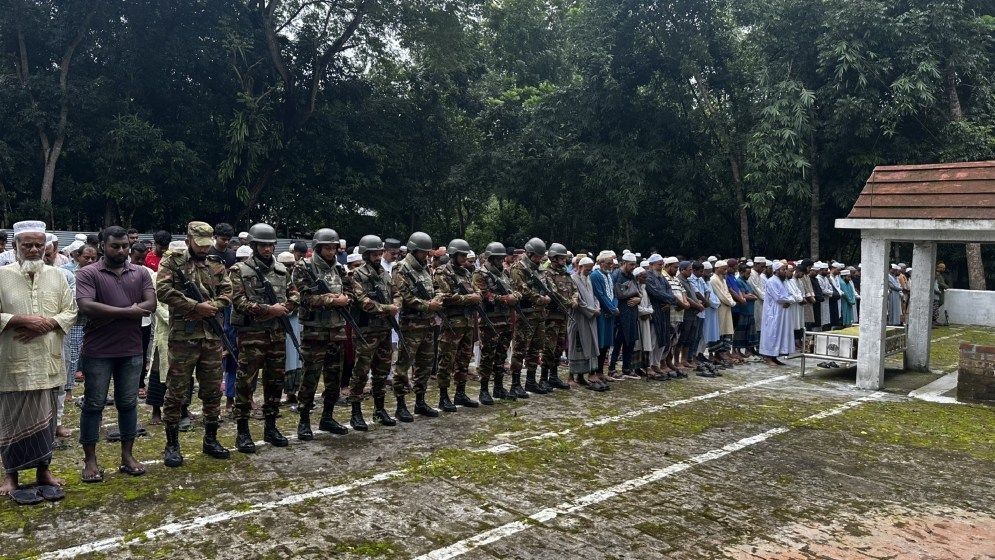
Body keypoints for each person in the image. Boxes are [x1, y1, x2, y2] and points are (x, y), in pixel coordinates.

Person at [0, 220, 77, 502]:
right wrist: (19, 320)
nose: (33, 250)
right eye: (27, 245)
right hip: (12, 362)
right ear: (16, 246)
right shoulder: (2, 276)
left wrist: (49, 323)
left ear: (46, 246)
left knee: (47, 418)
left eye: (38, 245)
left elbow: (71, 311)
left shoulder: (58, 276)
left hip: (47, 360)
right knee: (11, 420)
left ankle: (44, 471)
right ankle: (11, 476)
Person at [76, 226, 156, 482]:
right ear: (102, 246)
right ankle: (90, 460)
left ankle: (127, 456)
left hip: (131, 348)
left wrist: (114, 312)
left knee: (128, 403)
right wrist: (128, 312)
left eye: (125, 246)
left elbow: (151, 304)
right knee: (93, 404)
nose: (121, 251)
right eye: (115, 246)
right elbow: (86, 305)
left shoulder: (140, 272)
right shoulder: (88, 273)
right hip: (98, 350)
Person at [154, 222, 232, 467]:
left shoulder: (216, 264)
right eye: (199, 244)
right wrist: (195, 306)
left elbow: (227, 293)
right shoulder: (173, 262)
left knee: (212, 390)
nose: (204, 249)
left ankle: (210, 439)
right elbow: (162, 290)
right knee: (176, 391)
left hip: (211, 337)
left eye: (207, 244)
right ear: (189, 240)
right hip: (183, 338)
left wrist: (213, 307)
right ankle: (172, 444)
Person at [229, 223, 300, 453]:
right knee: (245, 383)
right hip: (252, 335)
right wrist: (269, 310)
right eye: (262, 245)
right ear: (254, 246)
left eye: (270, 245)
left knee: (275, 381)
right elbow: (238, 302)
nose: (267, 249)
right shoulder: (239, 270)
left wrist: (286, 307)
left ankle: (271, 427)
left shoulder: (281, 270)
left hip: (276, 334)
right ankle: (242, 431)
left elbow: (294, 294)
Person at [291, 228, 353, 438]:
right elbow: (304, 297)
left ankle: (327, 417)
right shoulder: (304, 267)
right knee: (310, 378)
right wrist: (333, 300)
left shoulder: (340, 269)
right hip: (315, 332)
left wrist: (345, 299)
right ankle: (304, 420)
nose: (331, 251)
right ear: (318, 248)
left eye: (334, 248)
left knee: (334, 378)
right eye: (327, 247)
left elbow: (350, 291)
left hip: (336, 331)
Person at [348, 235, 401, 428]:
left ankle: (379, 409)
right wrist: (388, 308)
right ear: (366, 254)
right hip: (366, 331)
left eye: (380, 253)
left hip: (384, 329)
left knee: (382, 371)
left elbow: (396, 293)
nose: (378, 257)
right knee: (361, 372)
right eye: (374, 254)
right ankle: (356, 412)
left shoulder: (385, 274)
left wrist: (396, 304)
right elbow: (363, 302)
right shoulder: (357, 275)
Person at [392, 232, 445, 418]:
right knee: (403, 366)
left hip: (428, 324)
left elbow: (435, 288)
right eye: (423, 252)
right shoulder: (401, 268)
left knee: (425, 364)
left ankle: (420, 401)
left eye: (427, 252)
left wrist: (438, 298)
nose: (426, 255)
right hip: (411, 326)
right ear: (413, 250)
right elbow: (405, 296)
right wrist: (428, 305)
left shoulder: (425, 268)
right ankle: (400, 405)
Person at [433, 239, 482, 409]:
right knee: (446, 360)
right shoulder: (442, 272)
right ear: (453, 254)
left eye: (465, 255)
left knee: (464, 359)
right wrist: (469, 298)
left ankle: (460, 393)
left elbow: (476, 290)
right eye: (461, 255)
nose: (464, 258)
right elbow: (444, 296)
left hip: (467, 322)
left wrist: (476, 296)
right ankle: (443, 396)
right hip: (452, 324)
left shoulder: (466, 272)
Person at [471, 242, 521, 405]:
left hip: (506, 320)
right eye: (497, 258)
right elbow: (484, 294)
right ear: (491, 258)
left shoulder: (505, 273)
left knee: (501, 355)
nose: (501, 261)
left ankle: (498, 387)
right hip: (490, 321)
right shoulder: (480, 273)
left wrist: (515, 296)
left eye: (501, 258)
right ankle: (484, 390)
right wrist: (506, 299)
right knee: (487, 356)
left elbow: (515, 289)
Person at [508, 238, 552, 397]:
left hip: (539, 313)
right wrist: (541, 299)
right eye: (537, 256)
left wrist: (547, 295)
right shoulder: (518, 268)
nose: (539, 259)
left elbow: (545, 285)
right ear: (529, 253)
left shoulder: (539, 268)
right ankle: (515, 384)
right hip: (525, 314)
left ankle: (531, 381)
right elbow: (522, 290)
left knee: (535, 348)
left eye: (540, 256)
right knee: (520, 349)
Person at [540, 243, 577, 391]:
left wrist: (574, 299)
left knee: (559, 347)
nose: (564, 260)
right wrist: (569, 302)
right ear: (554, 258)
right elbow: (553, 292)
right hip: (551, 316)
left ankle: (554, 376)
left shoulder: (566, 273)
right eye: (562, 258)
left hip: (563, 316)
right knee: (548, 348)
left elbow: (574, 289)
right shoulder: (547, 273)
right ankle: (543, 378)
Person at [569, 257, 603, 390]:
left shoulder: (588, 278)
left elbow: (593, 296)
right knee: (576, 347)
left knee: (588, 347)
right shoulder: (573, 279)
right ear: (580, 267)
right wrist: (591, 311)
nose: (589, 272)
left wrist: (597, 307)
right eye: (587, 269)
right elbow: (578, 300)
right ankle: (570, 377)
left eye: (590, 269)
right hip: (578, 319)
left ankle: (581, 377)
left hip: (591, 318)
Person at [759, 261, 795, 365]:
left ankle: (775, 356)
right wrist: (789, 300)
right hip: (773, 312)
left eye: (785, 269)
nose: (785, 271)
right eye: (783, 270)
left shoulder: (783, 281)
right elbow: (778, 297)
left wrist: (789, 301)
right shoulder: (771, 281)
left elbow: (790, 294)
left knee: (780, 333)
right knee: (772, 333)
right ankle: (768, 357)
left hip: (782, 312)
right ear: (776, 271)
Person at [590, 251, 618, 379]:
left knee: (606, 343)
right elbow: (600, 294)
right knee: (599, 343)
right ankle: (595, 372)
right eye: (608, 263)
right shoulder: (595, 275)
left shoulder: (609, 275)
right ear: (601, 263)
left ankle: (601, 372)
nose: (611, 266)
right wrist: (611, 308)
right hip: (602, 313)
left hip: (610, 313)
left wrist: (614, 306)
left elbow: (614, 293)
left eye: (612, 263)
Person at [611, 254, 641, 377]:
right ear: (624, 263)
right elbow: (615, 294)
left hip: (632, 313)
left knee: (630, 341)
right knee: (618, 342)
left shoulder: (631, 276)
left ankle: (626, 367)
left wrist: (638, 299)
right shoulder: (616, 275)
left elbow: (638, 292)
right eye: (631, 264)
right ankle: (612, 368)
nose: (633, 267)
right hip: (621, 313)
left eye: (634, 264)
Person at [709, 260, 736, 365]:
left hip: (727, 307)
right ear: (717, 268)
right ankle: (716, 353)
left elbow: (727, 293)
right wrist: (732, 303)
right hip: (720, 308)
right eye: (723, 268)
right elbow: (721, 295)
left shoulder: (723, 279)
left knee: (727, 329)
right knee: (719, 330)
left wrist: (731, 302)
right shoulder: (714, 279)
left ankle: (722, 352)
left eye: (726, 268)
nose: (726, 270)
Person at [733, 263, 759, 356]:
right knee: (740, 332)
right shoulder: (739, 281)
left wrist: (751, 296)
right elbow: (743, 295)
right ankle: (737, 350)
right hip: (743, 311)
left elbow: (751, 294)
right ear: (741, 272)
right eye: (747, 273)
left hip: (749, 310)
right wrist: (752, 296)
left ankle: (749, 349)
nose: (749, 275)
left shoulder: (746, 282)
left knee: (749, 332)